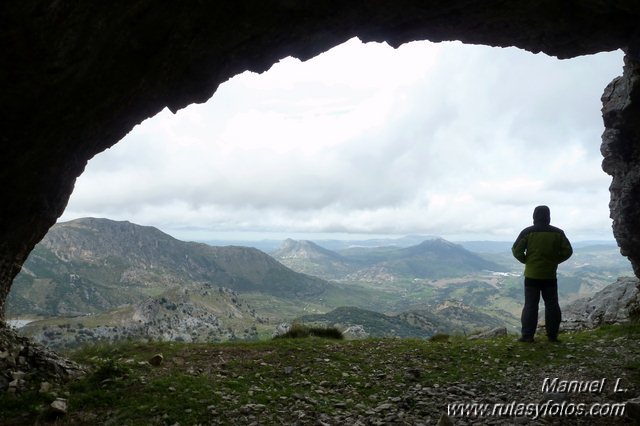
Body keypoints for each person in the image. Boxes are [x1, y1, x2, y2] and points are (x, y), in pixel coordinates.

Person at [512, 205, 573, 342]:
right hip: (550, 276)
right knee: (552, 305)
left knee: (530, 305)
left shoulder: (527, 232)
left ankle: (527, 336)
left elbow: (516, 250)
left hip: (531, 276)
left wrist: (527, 261)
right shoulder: (558, 233)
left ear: (534, 216)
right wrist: (555, 260)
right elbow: (568, 251)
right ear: (549, 216)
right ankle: (552, 336)